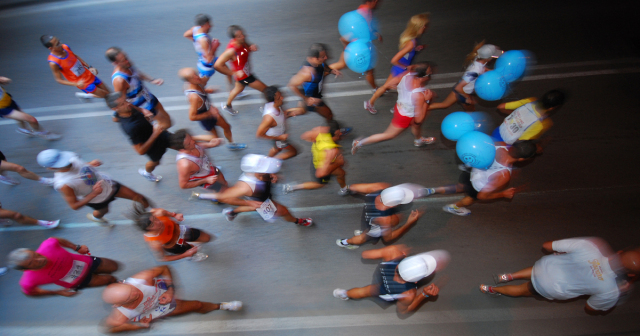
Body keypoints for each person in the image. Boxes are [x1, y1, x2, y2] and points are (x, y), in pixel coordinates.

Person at [479, 237, 640, 314]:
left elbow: (547, 245)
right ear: (631, 274)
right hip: (550, 286)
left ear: (620, 252)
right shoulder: (611, 290)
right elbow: (591, 308)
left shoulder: (594, 245)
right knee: (523, 289)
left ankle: (507, 276)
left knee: (536, 269)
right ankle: (493, 289)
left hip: (546, 266)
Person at [102, 265, 241, 333]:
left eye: (131, 289)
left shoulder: (141, 279)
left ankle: (221, 306)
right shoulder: (119, 316)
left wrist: (170, 289)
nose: (136, 293)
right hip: (153, 313)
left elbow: (164, 268)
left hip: (164, 301)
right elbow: (110, 329)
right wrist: (138, 327)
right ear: (117, 305)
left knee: (197, 305)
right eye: (130, 297)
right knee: (193, 307)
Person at [37, 149, 150, 225]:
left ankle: (152, 215)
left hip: (109, 184)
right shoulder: (64, 184)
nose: (68, 163)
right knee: (103, 211)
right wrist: (94, 193)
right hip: (97, 199)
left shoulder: (71, 158)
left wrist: (90, 163)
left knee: (140, 197)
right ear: (51, 169)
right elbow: (74, 206)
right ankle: (96, 218)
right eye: (63, 163)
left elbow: (79, 166)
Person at [107, 92, 201, 182]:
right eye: (123, 103)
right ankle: (147, 173)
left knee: (184, 145)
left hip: (159, 134)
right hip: (151, 146)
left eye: (126, 100)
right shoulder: (130, 127)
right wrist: (155, 134)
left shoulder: (127, 108)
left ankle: (202, 167)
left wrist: (143, 110)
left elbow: (130, 108)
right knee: (155, 162)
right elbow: (140, 151)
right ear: (115, 108)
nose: (127, 104)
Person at [427, 140, 537, 216]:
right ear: (522, 159)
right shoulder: (504, 175)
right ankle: (453, 207)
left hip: (470, 172)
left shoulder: (499, 144)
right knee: (470, 199)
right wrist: (503, 194)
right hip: (476, 187)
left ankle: (433, 190)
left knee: (460, 186)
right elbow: (482, 196)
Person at [333, 244, 447, 314]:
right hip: (386, 292)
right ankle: (345, 293)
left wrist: (398, 249)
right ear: (416, 281)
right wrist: (424, 294)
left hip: (381, 277)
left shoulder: (392, 252)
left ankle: (344, 293)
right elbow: (403, 311)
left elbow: (366, 254)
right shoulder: (409, 293)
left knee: (365, 291)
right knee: (369, 291)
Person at [352, 63, 435, 154]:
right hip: (405, 116)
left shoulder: (407, 75)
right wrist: (427, 101)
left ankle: (418, 140)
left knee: (416, 126)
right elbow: (419, 120)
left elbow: (388, 85)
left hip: (400, 107)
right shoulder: (419, 95)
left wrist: (401, 91)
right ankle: (359, 143)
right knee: (388, 135)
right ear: (423, 77)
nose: (431, 74)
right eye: (430, 74)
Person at [214, 154, 313, 227]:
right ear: (257, 172)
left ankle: (232, 212)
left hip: (262, 196)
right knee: (284, 211)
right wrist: (247, 202)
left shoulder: (259, 173)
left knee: (254, 206)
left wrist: (271, 175)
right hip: (264, 201)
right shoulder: (245, 187)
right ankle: (298, 221)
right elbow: (223, 197)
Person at [8, 237, 119, 296]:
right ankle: (119, 288)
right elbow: (31, 292)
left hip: (89, 262)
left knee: (115, 267)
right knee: (109, 279)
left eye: (36, 254)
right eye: (32, 263)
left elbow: (56, 239)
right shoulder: (28, 281)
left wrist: (76, 247)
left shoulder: (48, 245)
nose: (40, 259)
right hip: (80, 281)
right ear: (24, 269)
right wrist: (57, 292)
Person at [365, 13, 429, 114]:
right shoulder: (411, 43)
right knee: (399, 88)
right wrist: (407, 67)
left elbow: (408, 52)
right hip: (401, 69)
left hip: (401, 68)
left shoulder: (413, 39)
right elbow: (394, 60)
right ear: (420, 27)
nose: (426, 27)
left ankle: (373, 103)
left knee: (392, 87)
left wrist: (417, 49)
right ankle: (389, 106)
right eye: (425, 25)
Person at [336, 183, 430, 249]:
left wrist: (348, 188)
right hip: (374, 223)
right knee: (364, 237)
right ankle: (346, 242)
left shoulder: (379, 187)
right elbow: (388, 238)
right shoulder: (385, 219)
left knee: (396, 218)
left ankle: (362, 231)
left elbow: (354, 187)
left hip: (367, 214)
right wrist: (409, 223)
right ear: (392, 205)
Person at [178, 67, 247, 150]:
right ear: (188, 80)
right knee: (216, 139)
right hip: (205, 117)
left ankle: (232, 144)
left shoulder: (195, 83)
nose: (197, 77)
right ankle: (193, 138)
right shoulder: (194, 97)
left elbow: (193, 89)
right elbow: (192, 117)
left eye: (195, 74)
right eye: (193, 77)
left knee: (227, 126)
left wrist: (206, 90)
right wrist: (210, 113)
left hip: (210, 110)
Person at [105, 47, 172, 130]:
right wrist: (142, 110)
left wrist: (152, 80)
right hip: (142, 107)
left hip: (148, 97)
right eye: (123, 60)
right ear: (115, 63)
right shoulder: (119, 80)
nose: (127, 61)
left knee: (168, 122)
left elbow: (137, 74)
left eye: (126, 57)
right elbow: (121, 101)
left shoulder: (127, 65)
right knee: (164, 125)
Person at [428, 42, 502, 112]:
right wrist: (467, 97)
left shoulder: (478, 58)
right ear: (487, 58)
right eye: (492, 56)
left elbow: (483, 68)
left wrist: (493, 71)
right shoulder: (474, 71)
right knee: (471, 110)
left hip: (462, 88)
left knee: (444, 104)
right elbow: (459, 88)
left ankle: (422, 108)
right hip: (463, 92)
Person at [214, 25, 268, 115]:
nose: (243, 36)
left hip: (245, 74)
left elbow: (246, 48)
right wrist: (233, 73)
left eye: (242, 34)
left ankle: (227, 106)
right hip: (245, 77)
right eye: (239, 36)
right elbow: (217, 65)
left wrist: (252, 47)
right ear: (234, 38)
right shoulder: (231, 51)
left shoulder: (243, 41)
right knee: (266, 90)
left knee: (238, 89)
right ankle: (266, 108)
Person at [330, 0, 383, 91]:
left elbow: (366, 28)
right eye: (378, 1)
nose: (379, 3)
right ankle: (376, 90)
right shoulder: (364, 13)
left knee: (341, 64)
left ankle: (318, 72)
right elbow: (353, 31)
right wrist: (349, 46)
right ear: (373, 1)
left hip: (354, 45)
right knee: (369, 70)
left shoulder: (365, 10)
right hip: (357, 47)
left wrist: (375, 33)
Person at [282, 124, 349, 195]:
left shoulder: (320, 132)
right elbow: (320, 174)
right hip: (322, 166)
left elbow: (304, 136)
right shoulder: (331, 151)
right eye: (338, 134)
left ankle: (344, 189)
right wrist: (338, 163)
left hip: (317, 158)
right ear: (333, 135)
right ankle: (292, 187)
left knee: (341, 173)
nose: (341, 134)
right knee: (320, 184)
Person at [129, 204, 210, 262]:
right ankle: (191, 256)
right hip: (176, 246)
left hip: (183, 231)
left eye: (155, 219)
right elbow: (162, 258)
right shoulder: (154, 242)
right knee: (192, 251)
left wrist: (175, 215)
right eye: (153, 224)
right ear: (148, 230)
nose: (158, 222)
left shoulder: (157, 212)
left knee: (207, 238)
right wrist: (185, 255)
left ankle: (192, 247)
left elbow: (167, 213)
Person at [492, 89, 565, 153]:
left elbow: (501, 107)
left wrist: (515, 117)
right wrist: (537, 148)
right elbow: (520, 141)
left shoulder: (531, 101)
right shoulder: (543, 123)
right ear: (552, 108)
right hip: (504, 146)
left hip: (497, 132)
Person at [41, 35, 110, 101]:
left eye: (59, 41)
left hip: (89, 75)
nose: (61, 44)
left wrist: (89, 67)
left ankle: (86, 96)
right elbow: (59, 80)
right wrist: (76, 84)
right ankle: (117, 111)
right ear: (51, 48)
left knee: (109, 93)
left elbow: (75, 57)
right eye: (57, 44)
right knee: (107, 96)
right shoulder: (53, 62)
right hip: (84, 83)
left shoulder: (65, 47)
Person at [288, 43, 342, 122]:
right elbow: (292, 85)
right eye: (323, 57)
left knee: (302, 110)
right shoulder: (307, 72)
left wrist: (330, 70)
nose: (326, 58)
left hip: (312, 93)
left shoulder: (318, 62)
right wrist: (307, 99)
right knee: (329, 115)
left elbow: (323, 64)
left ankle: (283, 115)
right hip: (314, 99)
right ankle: (333, 132)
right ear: (314, 58)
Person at [171, 129, 230, 201]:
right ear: (182, 149)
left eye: (191, 138)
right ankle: (213, 198)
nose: (193, 142)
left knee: (225, 183)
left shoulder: (194, 144)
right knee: (224, 193)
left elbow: (211, 140)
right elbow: (183, 185)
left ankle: (216, 194)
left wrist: (213, 144)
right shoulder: (185, 164)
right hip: (205, 179)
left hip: (211, 169)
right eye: (189, 143)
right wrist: (205, 180)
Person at [256, 86, 305, 160]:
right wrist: (279, 137)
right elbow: (259, 134)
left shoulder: (276, 105)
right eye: (279, 97)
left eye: (281, 95)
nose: (282, 98)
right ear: (274, 101)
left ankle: (268, 160)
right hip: (278, 138)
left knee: (277, 148)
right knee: (294, 151)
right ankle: (272, 162)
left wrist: (288, 114)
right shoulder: (269, 118)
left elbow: (281, 113)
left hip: (279, 136)